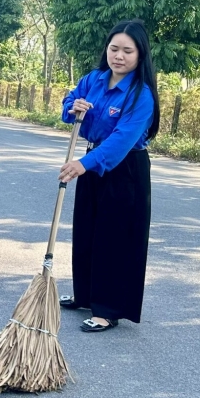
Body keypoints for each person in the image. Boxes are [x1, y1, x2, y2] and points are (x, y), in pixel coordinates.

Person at [57, 19, 160, 333]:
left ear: (140, 55)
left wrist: (84, 164)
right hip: (91, 160)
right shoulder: (93, 80)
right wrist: (72, 107)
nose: (119, 56)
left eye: (128, 51)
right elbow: (67, 107)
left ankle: (107, 309)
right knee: (87, 231)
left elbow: (121, 141)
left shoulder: (140, 96)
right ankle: (86, 296)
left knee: (114, 238)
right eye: (114, 48)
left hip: (125, 168)